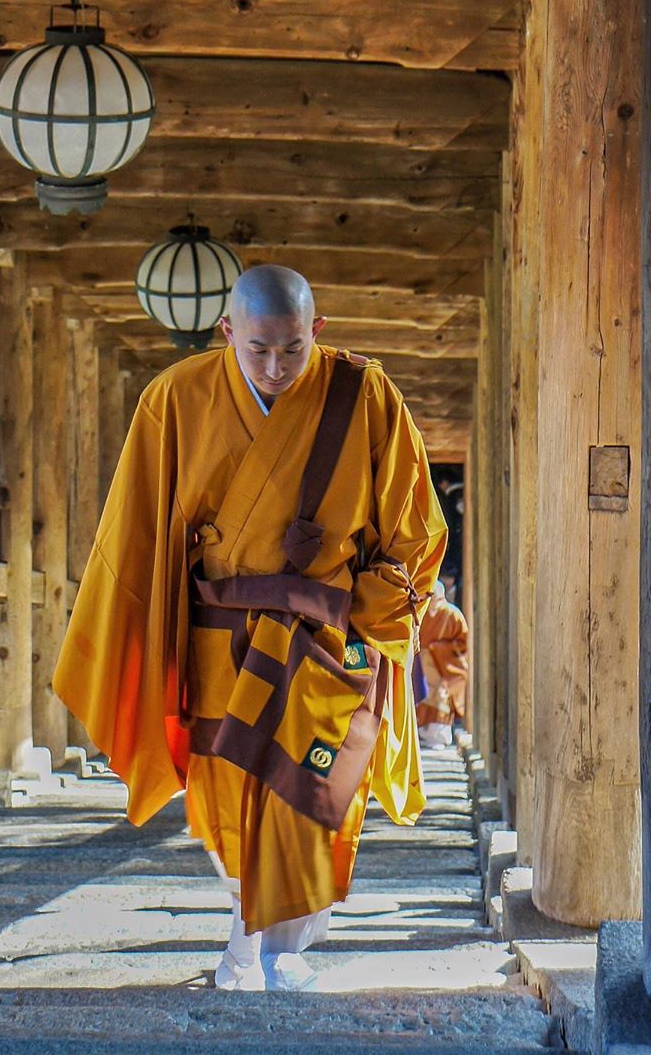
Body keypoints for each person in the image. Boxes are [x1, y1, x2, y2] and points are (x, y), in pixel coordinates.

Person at [54, 265, 446, 992]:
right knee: (230, 800)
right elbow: (136, 534)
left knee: (316, 797)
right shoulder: (173, 399)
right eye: (258, 348)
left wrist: (369, 605)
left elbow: (416, 531)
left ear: (317, 333)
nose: (274, 368)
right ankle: (255, 930)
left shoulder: (365, 397)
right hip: (221, 643)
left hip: (328, 642)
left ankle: (269, 950)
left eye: (292, 349)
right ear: (227, 331)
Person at [416, 579, 470, 749]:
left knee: (441, 697)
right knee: (422, 695)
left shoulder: (453, 615)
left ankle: (439, 736)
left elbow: (463, 643)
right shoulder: (421, 614)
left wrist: (439, 649)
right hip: (423, 665)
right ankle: (422, 733)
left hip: (445, 665)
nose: (432, 604)